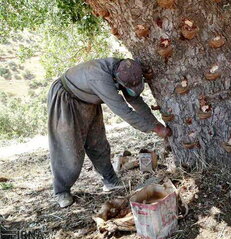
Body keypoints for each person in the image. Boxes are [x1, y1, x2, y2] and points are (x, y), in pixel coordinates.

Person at [47, 58, 171, 208]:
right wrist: (155, 130)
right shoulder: (100, 77)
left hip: (88, 100)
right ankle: (61, 191)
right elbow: (124, 111)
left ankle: (110, 179)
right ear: (115, 79)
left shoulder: (126, 69)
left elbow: (136, 101)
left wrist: (155, 124)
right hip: (67, 99)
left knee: (98, 143)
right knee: (69, 148)